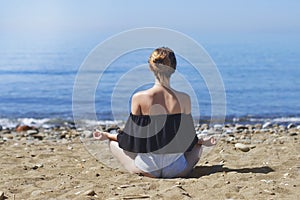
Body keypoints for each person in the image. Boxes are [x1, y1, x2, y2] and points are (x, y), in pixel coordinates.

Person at [94, 47, 216, 178]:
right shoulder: (184, 98)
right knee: (198, 147)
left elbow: (131, 139)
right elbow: (188, 138)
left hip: (147, 169)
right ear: (174, 69)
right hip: (176, 170)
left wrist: (107, 135)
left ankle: (144, 168)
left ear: (150, 67)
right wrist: (202, 141)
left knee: (113, 143)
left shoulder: (139, 98)